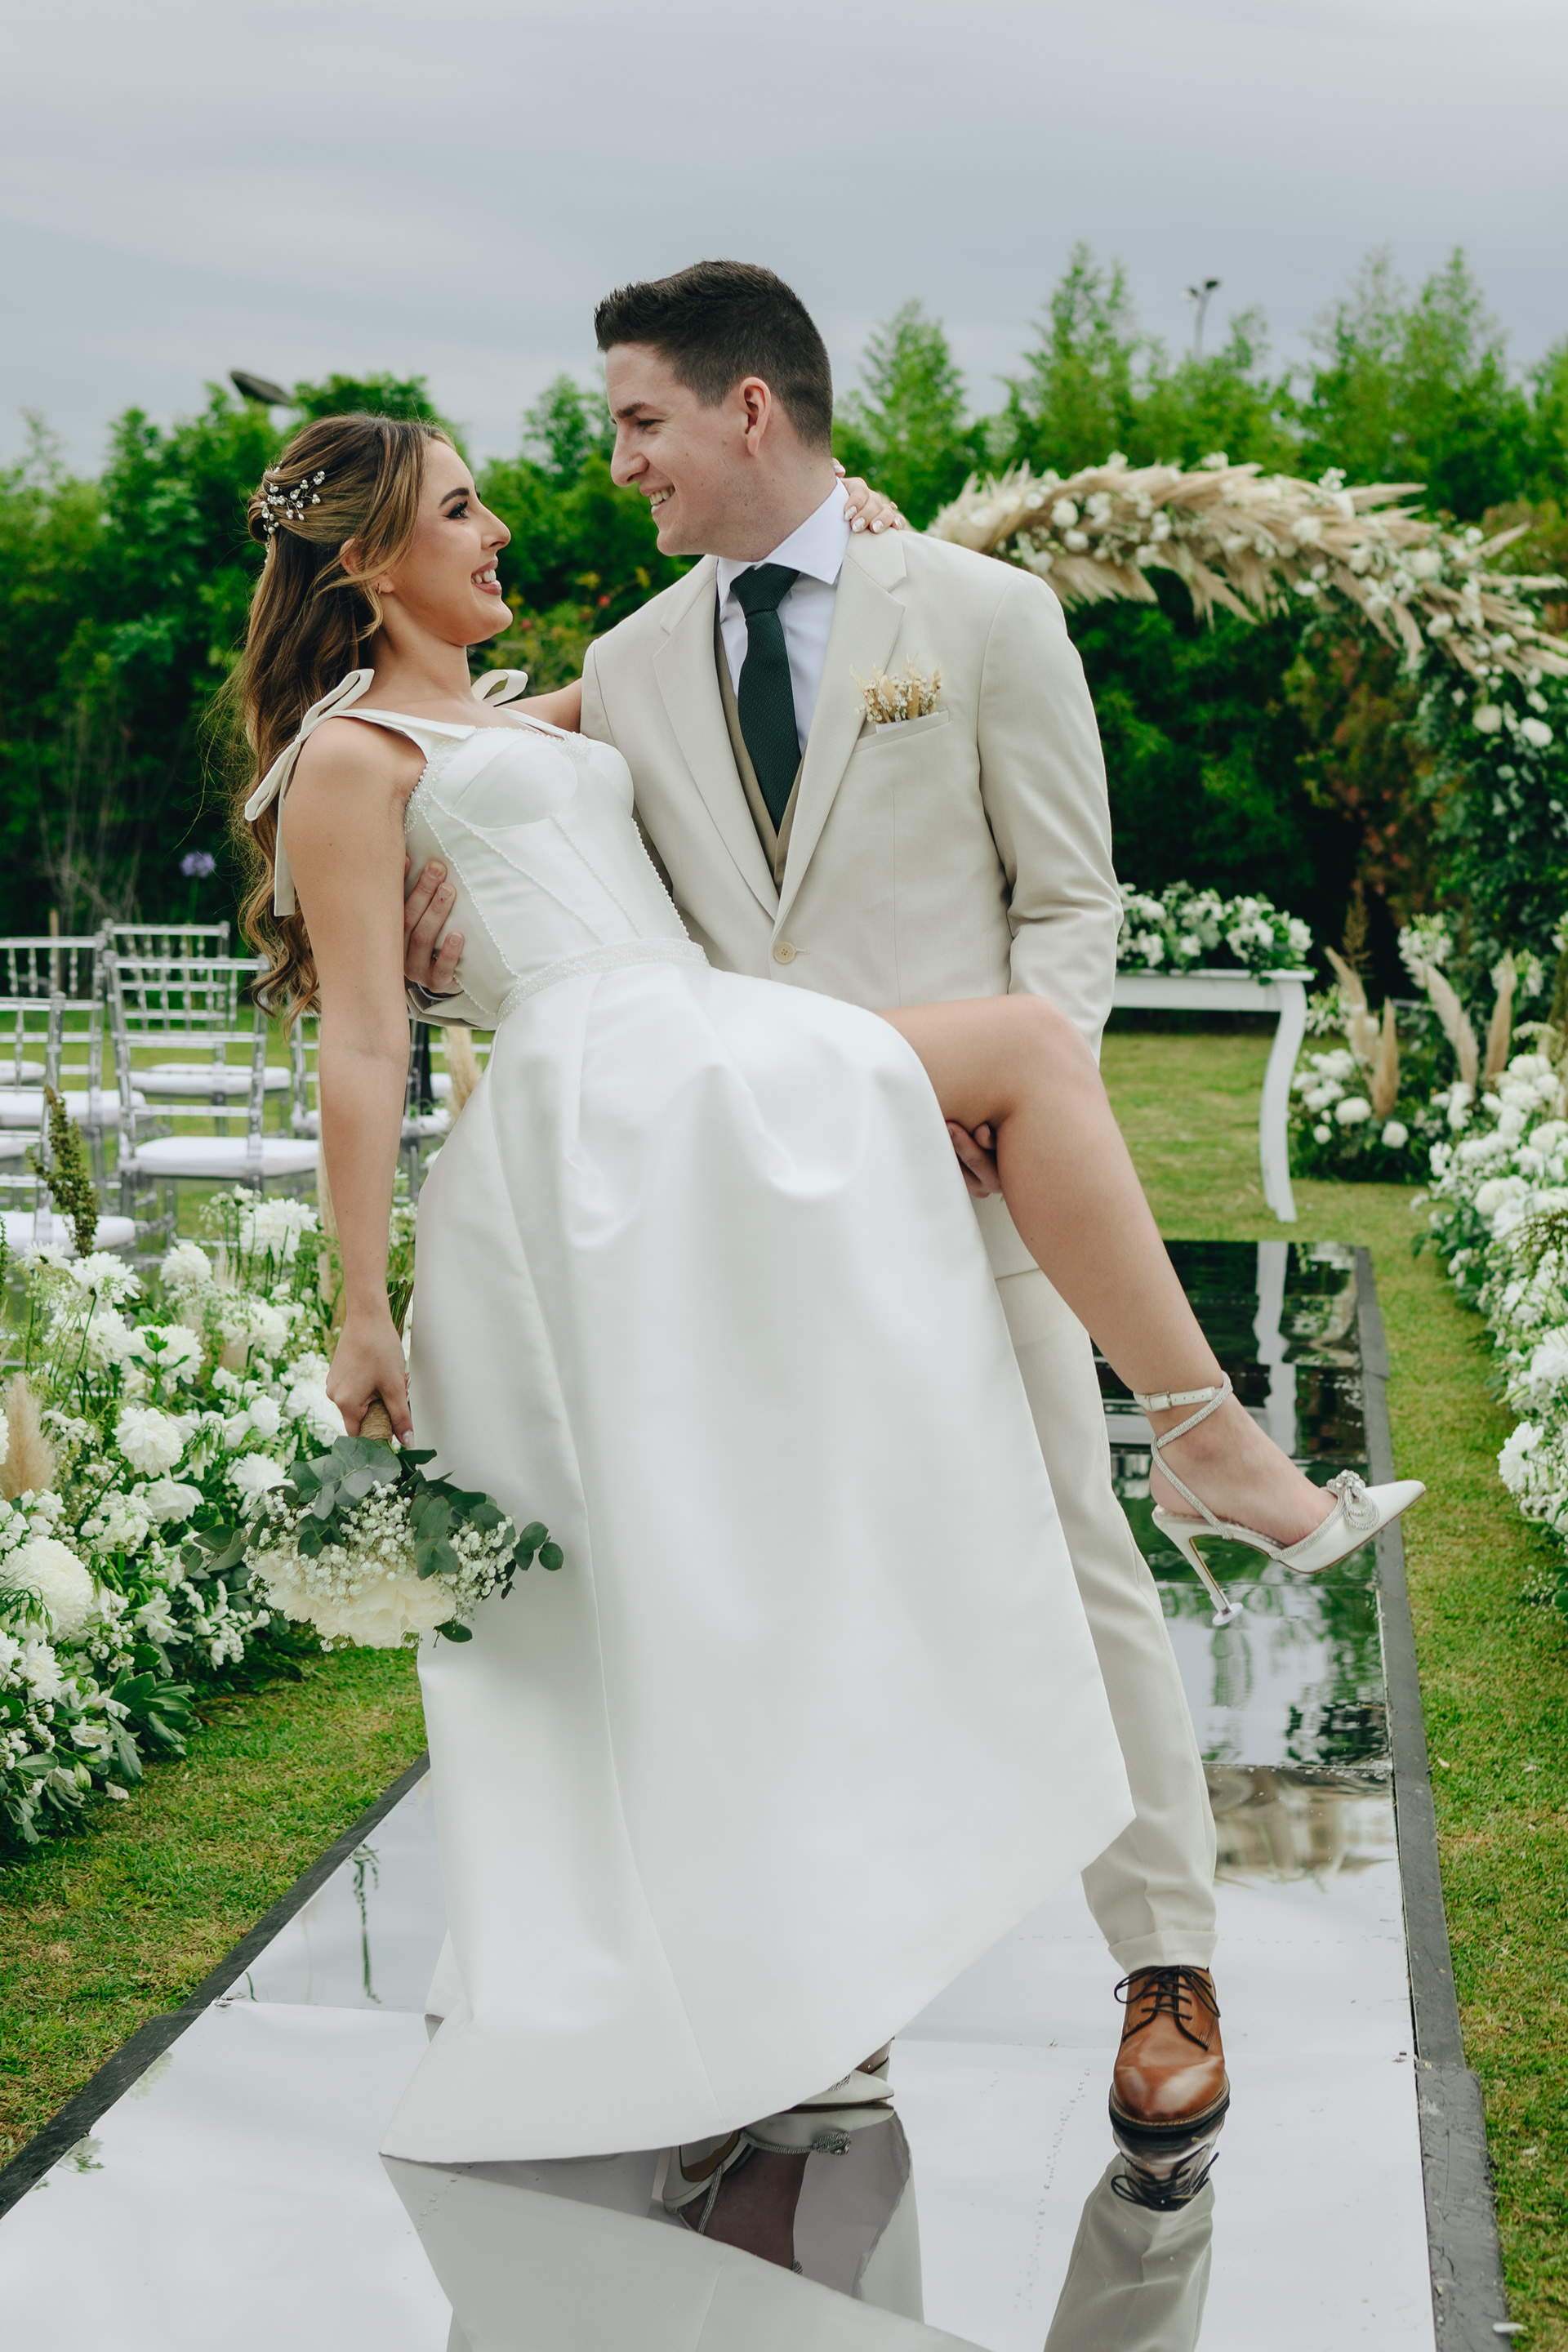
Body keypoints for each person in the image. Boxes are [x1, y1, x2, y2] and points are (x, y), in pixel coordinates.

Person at [243, 410, 1419, 2286]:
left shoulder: (529, 713)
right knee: (1016, 1062)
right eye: (460, 507)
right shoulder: (349, 757)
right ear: (371, 562)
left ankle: (1186, 1484)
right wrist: (362, 1306)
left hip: (683, 1063)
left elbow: (711, 654)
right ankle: (1204, 1431)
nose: (504, 523)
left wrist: (855, 527)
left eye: (498, 491)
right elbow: (367, 1041)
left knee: (824, 1514)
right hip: (608, 1108)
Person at [398, 259, 1311, 2166]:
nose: (620, 461)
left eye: (642, 420)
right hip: (744, 1217)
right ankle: (825, 1995)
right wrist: (428, 898)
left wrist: (1006, 1102)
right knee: (786, 1599)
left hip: (970, 1189)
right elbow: (492, 801)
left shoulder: (979, 616)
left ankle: (1166, 1971)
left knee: (1077, 1563)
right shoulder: (630, 662)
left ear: (750, 408)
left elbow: (1069, 901)